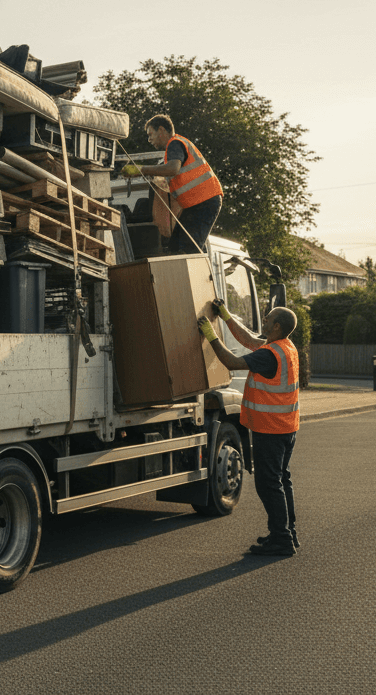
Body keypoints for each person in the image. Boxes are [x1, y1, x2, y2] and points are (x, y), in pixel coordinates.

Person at [198, 301, 300, 557]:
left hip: (271, 428)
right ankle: (287, 533)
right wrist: (226, 316)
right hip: (286, 427)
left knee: (269, 484)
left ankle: (282, 539)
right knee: (281, 479)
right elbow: (247, 338)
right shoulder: (283, 347)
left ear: (277, 326)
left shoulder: (269, 354)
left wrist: (210, 335)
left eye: (267, 319)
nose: (263, 321)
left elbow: (231, 362)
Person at [120, 114, 224, 255]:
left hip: (203, 202)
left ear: (161, 130)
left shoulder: (174, 143)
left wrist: (140, 169)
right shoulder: (176, 147)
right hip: (198, 203)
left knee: (187, 249)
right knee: (175, 246)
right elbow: (171, 174)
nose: (149, 140)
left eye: (151, 135)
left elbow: (172, 169)